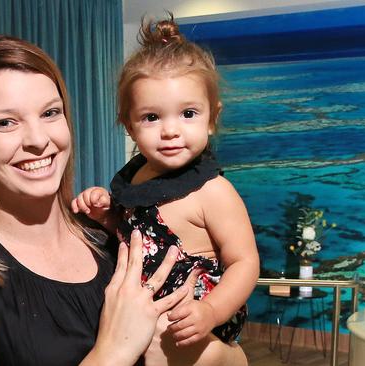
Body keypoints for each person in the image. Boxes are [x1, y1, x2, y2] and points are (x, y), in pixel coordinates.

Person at [0, 34, 195, 366]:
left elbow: (229, 358)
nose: (38, 140)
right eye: (5, 122)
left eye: (50, 113)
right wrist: (114, 351)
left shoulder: (114, 238)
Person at [72, 15, 260, 366]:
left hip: (195, 319)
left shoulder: (213, 191)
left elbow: (245, 261)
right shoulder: (136, 178)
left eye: (188, 113)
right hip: (142, 319)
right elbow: (139, 239)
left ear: (212, 117)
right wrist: (107, 216)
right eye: (152, 117)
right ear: (129, 124)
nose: (170, 130)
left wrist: (211, 311)